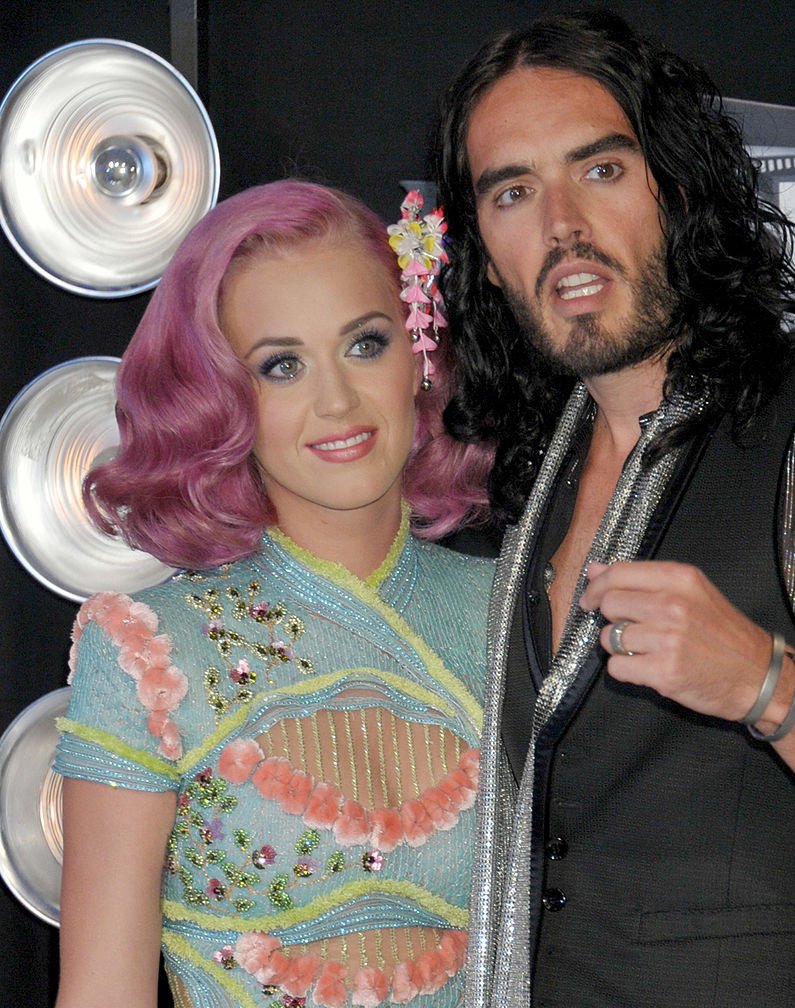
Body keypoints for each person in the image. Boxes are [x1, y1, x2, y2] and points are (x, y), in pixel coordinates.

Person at [431, 9, 795, 1008]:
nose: (562, 225)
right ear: (485, 252)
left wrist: (766, 685)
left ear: (677, 190)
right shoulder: (523, 492)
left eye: (602, 170)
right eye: (514, 192)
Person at [52, 180, 495, 1008]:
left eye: (366, 344)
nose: (337, 401)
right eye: (281, 366)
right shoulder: (153, 653)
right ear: (219, 398)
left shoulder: (516, 614)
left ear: (420, 354)